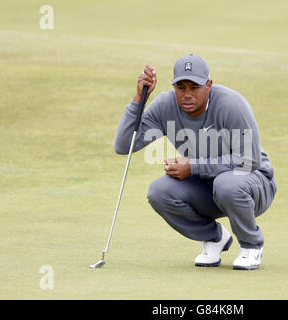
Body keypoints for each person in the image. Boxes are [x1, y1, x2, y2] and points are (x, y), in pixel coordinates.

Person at [114, 54, 277, 270]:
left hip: (255, 183)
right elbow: (124, 145)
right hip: (209, 185)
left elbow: (250, 160)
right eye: (181, 87)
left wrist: (193, 167)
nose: (187, 94)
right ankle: (214, 238)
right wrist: (138, 100)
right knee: (159, 191)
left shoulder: (231, 104)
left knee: (226, 184)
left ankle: (251, 245)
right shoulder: (165, 106)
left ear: (208, 85)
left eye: (194, 87)